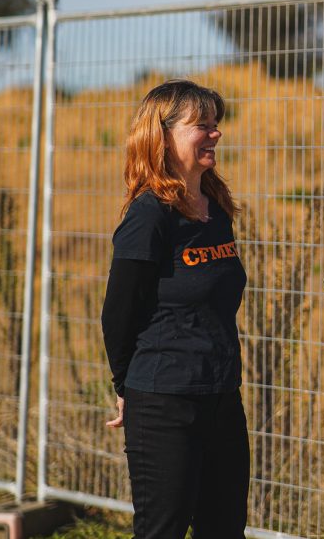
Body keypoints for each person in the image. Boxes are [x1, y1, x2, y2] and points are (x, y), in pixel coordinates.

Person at [101, 79, 249, 539]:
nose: (215, 134)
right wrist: (127, 387)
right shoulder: (149, 216)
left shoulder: (215, 208)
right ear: (162, 136)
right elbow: (118, 313)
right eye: (201, 126)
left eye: (216, 125)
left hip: (222, 397)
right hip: (163, 401)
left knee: (224, 530)